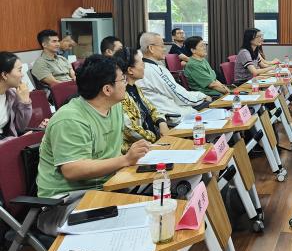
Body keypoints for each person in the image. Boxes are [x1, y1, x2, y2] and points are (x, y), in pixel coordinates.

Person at [36, 55, 150, 234]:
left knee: (162, 196)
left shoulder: (114, 107)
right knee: (137, 222)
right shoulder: (70, 119)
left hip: (108, 187)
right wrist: (126, 160)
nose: (126, 83)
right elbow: (72, 170)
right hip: (64, 204)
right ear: (107, 89)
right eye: (122, 79)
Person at [137, 33, 210, 118]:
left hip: (176, 109)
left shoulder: (150, 67)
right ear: (151, 48)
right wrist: (202, 96)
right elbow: (179, 96)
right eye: (162, 46)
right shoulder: (152, 70)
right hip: (176, 116)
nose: (165, 49)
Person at [114, 47, 169, 153]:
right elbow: (131, 130)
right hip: (139, 149)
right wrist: (156, 137)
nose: (144, 65)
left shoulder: (135, 88)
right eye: (141, 62)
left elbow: (151, 109)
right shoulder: (121, 95)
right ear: (130, 70)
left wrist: (161, 122)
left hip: (153, 143)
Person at [0, 52, 32, 143]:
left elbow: (20, 127)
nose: (22, 75)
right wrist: (14, 142)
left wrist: (25, 102)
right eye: (19, 70)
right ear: (4, 75)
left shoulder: (11, 94)